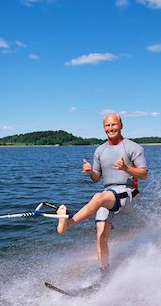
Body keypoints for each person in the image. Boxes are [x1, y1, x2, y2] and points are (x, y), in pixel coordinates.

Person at [57, 113, 148, 276]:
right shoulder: (100, 150)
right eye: (107, 125)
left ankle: (69, 223)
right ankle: (105, 273)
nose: (111, 128)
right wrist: (90, 171)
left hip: (128, 193)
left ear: (121, 125)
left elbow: (143, 174)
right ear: (103, 128)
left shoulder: (133, 147)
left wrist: (126, 168)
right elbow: (96, 178)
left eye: (114, 125)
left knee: (98, 198)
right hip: (109, 194)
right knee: (101, 236)